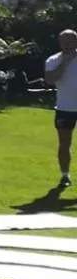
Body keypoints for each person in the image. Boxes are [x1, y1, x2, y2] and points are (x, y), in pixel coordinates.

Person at [44, 29, 77, 189]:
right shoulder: (53, 60)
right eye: (65, 42)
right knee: (65, 143)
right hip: (65, 108)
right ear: (60, 43)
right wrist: (65, 62)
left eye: (71, 41)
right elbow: (50, 80)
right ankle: (65, 175)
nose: (68, 45)